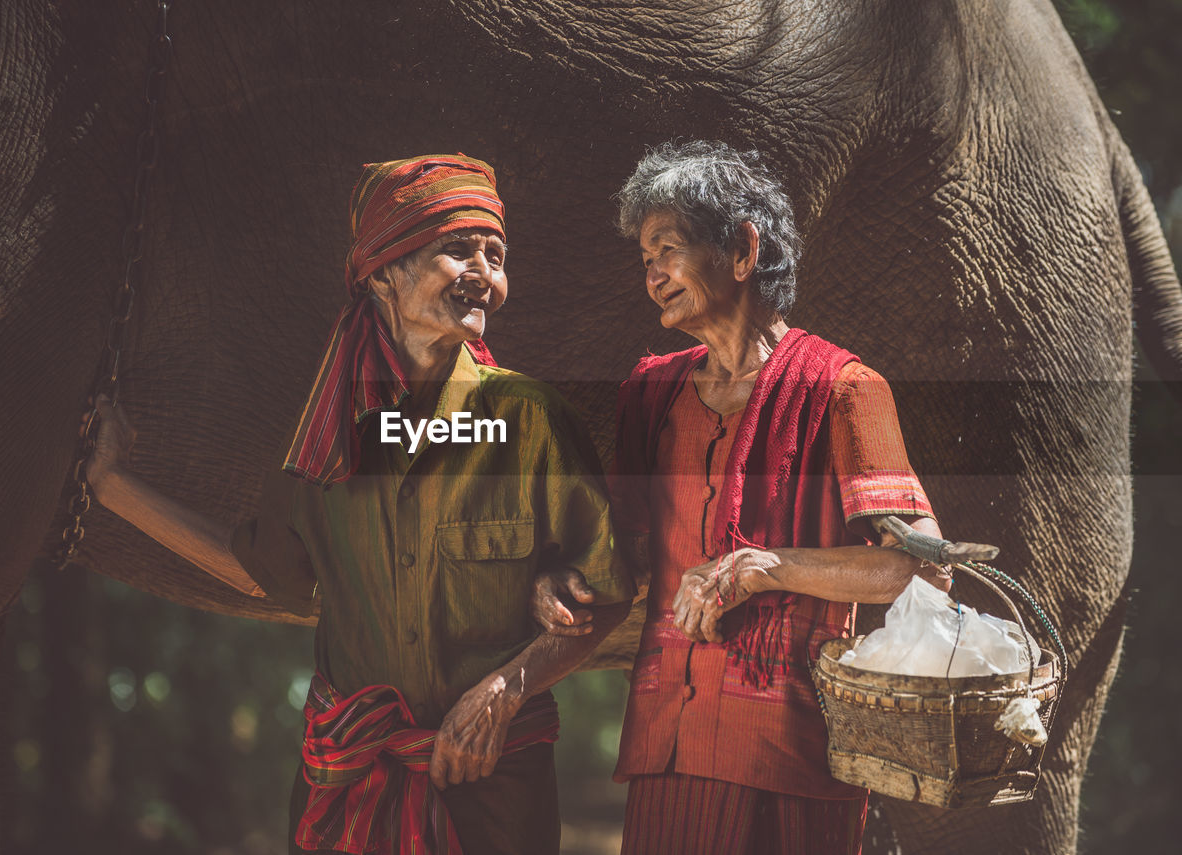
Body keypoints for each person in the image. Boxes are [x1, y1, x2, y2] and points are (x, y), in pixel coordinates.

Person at [85, 154, 635, 855]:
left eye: (495, 255)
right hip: (347, 788)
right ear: (383, 274)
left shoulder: (532, 420)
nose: (485, 273)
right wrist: (110, 486)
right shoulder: (326, 437)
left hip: (498, 796)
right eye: (456, 249)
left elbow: (609, 592)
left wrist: (505, 688)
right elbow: (263, 570)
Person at [532, 140, 950, 855]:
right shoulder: (651, 392)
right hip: (667, 742)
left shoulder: (845, 388)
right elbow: (627, 556)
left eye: (668, 248)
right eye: (645, 260)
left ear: (743, 250)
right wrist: (565, 579)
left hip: (791, 750)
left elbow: (922, 567)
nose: (654, 274)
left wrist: (765, 565)